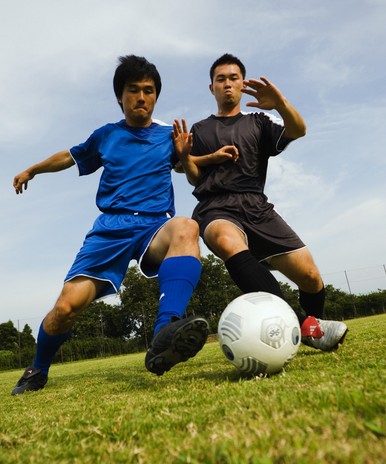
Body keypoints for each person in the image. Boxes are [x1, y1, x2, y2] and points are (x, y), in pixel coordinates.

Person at [11, 55, 209, 395]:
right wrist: (33, 169)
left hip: (152, 227)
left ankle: (165, 332)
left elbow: (192, 176)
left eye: (149, 91)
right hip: (110, 230)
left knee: (187, 227)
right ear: (121, 96)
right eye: (134, 90)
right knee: (65, 309)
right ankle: (37, 369)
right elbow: (69, 156)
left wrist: (185, 155)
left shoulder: (168, 136)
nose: (142, 98)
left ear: (156, 97)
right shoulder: (107, 136)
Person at [174, 53, 347, 352]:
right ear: (211, 87)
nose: (227, 84)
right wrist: (187, 156)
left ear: (242, 84)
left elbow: (298, 130)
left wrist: (280, 102)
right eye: (220, 79)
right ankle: (305, 325)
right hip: (215, 207)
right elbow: (192, 177)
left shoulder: (259, 121)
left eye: (233, 78)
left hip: (257, 206)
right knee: (227, 241)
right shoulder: (199, 130)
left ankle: (311, 329)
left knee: (310, 276)